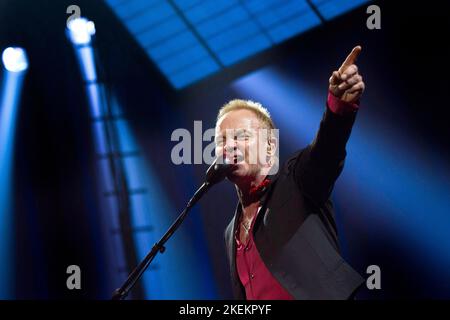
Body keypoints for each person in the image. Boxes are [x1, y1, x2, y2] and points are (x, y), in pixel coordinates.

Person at [215, 46, 365, 300]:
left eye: (241, 136)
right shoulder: (230, 231)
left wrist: (338, 107)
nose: (229, 145)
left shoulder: (296, 180)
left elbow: (326, 151)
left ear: (270, 146)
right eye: (221, 140)